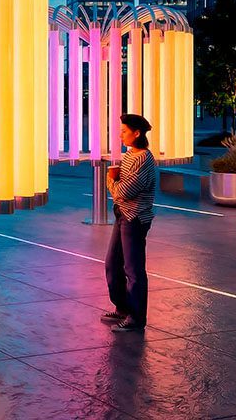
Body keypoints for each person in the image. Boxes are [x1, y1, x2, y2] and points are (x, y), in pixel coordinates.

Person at [103, 113, 157, 333]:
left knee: (133, 269)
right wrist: (116, 183)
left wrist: (110, 180)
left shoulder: (143, 159)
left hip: (134, 218)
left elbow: (124, 192)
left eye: (124, 131)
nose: (120, 134)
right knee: (112, 264)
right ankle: (123, 307)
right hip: (122, 215)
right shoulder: (129, 155)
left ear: (137, 133)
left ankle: (136, 317)